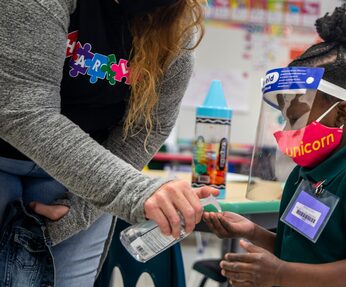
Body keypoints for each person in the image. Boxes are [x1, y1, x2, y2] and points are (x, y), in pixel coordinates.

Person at [0, 0, 217, 286]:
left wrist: (81, 211)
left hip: (83, 172)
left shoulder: (174, 22)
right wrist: (133, 190)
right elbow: (23, 111)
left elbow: (147, 127)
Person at [203, 5, 346, 287]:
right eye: (285, 119)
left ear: (342, 113)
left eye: (295, 118)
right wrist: (253, 232)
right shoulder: (304, 173)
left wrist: (279, 274)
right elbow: (298, 251)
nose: (286, 130)